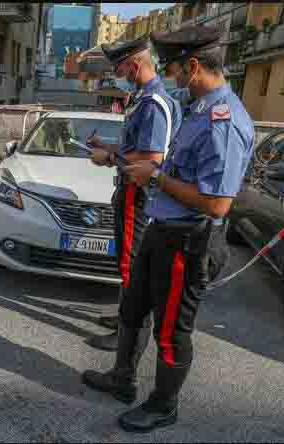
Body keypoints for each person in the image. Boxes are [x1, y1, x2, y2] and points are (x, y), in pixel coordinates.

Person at [83, 25, 255, 433]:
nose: (172, 77)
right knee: (134, 305)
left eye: (176, 69)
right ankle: (122, 378)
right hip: (163, 227)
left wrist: (156, 178)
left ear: (194, 66)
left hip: (188, 240)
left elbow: (217, 202)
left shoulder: (224, 122)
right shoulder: (198, 109)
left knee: (171, 329)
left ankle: (163, 404)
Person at [83, 35, 182, 356]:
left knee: (131, 266)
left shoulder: (154, 104)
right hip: (131, 194)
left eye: (121, 67)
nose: (118, 74)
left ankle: (127, 336)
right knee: (127, 264)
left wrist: (108, 159)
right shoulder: (142, 98)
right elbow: (135, 149)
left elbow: (152, 160)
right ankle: (125, 316)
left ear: (136, 64)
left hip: (138, 198)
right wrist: (108, 147)